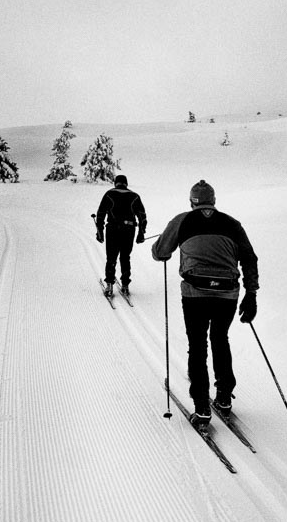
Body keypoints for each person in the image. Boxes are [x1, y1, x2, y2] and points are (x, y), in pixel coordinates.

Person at [151, 180, 258, 427]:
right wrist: (251, 294)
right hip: (227, 294)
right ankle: (223, 397)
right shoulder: (232, 224)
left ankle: (201, 407)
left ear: (192, 202)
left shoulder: (182, 220)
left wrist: (165, 246)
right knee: (220, 339)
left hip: (194, 293)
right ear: (214, 201)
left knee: (197, 345)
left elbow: (160, 253)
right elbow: (249, 259)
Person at [94, 174, 147, 297]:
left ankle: (109, 285)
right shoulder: (134, 196)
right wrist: (141, 233)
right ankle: (125, 285)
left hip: (112, 229)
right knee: (125, 257)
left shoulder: (109, 194)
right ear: (126, 184)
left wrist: (100, 231)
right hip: (129, 230)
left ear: (115, 183)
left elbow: (101, 214)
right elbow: (142, 216)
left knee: (111, 257)